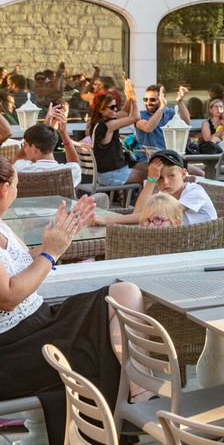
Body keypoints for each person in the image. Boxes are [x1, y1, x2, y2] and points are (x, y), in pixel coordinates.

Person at [0, 157, 147, 445]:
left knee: (123, 293)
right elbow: (7, 298)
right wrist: (51, 254)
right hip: (13, 348)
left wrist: (56, 239)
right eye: (17, 185)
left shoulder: (2, 225)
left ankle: (143, 397)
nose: (18, 191)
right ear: (4, 188)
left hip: (39, 323)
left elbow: (21, 266)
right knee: (96, 346)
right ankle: (115, 419)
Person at [98, 150, 216, 227]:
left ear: (184, 174)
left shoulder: (195, 191)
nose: (165, 182)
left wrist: (106, 220)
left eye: (171, 175)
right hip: (181, 241)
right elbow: (139, 213)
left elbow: (147, 216)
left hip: (203, 248)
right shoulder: (163, 194)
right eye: (159, 177)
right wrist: (151, 180)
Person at [87, 89, 139, 187]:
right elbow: (136, 117)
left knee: (146, 168)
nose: (115, 109)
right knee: (150, 175)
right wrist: (135, 100)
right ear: (101, 109)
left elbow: (125, 112)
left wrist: (129, 95)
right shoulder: (109, 125)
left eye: (116, 106)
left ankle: (126, 198)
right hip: (112, 174)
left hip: (105, 174)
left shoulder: (99, 121)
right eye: (112, 107)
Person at [14, 113, 82, 188]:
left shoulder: (20, 168)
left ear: (33, 148)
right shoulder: (68, 172)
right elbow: (75, 163)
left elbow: (16, 159)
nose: (24, 148)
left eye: (24, 145)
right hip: (60, 200)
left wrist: (44, 127)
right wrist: (64, 133)